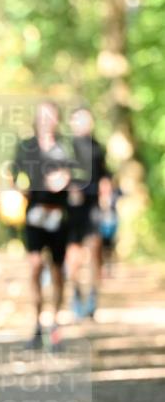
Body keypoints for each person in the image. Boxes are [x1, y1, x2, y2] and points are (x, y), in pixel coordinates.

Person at [10, 101, 75, 349]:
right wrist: (20, 190)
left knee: (57, 271)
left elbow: (77, 175)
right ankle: (37, 325)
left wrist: (65, 179)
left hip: (58, 215)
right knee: (35, 266)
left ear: (57, 119)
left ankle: (55, 325)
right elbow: (14, 175)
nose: (46, 120)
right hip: (34, 215)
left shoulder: (66, 146)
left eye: (50, 116)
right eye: (42, 116)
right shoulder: (26, 146)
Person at [66, 107, 112, 319]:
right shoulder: (66, 147)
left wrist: (106, 198)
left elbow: (105, 176)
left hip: (93, 206)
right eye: (78, 120)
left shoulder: (97, 147)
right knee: (73, 254)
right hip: (73, 208)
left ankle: (93, 296)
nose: (82, 124)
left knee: (95, 248)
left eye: (86, 119)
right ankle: (76, 294)